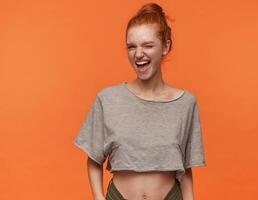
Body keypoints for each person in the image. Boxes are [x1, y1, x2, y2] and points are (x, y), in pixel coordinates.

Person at [73, 2, 206, 200]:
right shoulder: (108, 99)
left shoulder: (186, 104)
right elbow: (93, 160)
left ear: (166, 46)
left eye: (148, 45)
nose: (138, 54)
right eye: (131, 47)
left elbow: (185, 170)